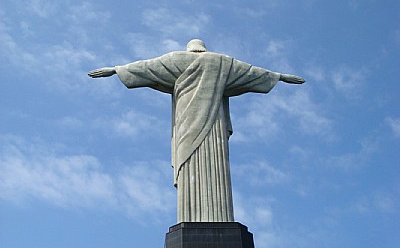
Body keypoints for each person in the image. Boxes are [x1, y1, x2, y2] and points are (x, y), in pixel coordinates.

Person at [88, 39, 304, 223]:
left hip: (186, 125)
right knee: (213, 165)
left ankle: (194, 216)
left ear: (189, 49)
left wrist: (116, 69)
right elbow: (252, 72)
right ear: (204, 49)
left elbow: (147, 67)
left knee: (190, 164)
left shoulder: (176, 59)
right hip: (214, 125)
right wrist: (279, 76)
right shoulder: (221, 62)